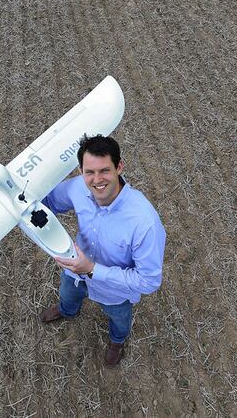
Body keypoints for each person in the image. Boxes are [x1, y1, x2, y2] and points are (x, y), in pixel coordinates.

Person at [40, 134, 166, 367]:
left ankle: (117, 340)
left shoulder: (144, 222)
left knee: (119, 319)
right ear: (80, 171)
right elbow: (48, 202)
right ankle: (67, 311)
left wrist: (92, 269)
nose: (97, 180)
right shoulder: (78, 187)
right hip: (74, 273)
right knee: (68, 295)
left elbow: (149, 281)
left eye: (104, 171)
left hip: (113, 291)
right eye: (89, 172)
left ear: (119, 167)